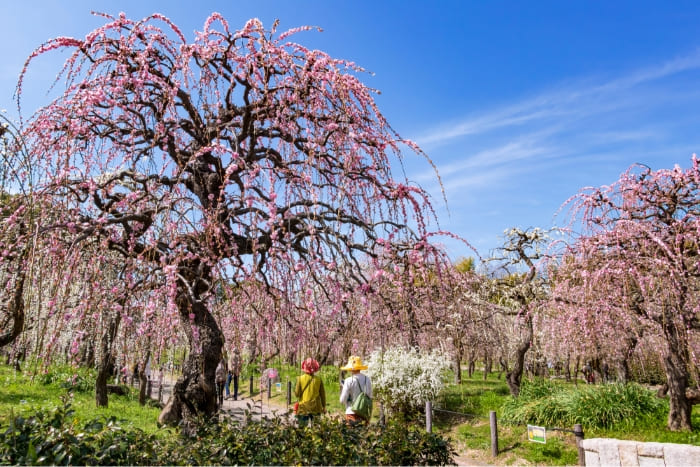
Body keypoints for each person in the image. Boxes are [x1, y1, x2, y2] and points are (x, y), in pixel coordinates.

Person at [339, 355, 372, 425]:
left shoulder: (348, 381)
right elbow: (370, 396)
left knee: (352, 434)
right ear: (360, 367)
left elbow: (342, 400)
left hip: (351, 412)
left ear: (350, 368)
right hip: (364, 413)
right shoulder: (367, 379)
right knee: (363, 434)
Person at [294, 357, 326, 427]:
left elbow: (297, 394)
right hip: (316, 408)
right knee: (316, 429)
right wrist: (324, 407)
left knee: (302, 429)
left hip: (303, 407)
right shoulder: (319, 380)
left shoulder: (300, 379)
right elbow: (322, 395)